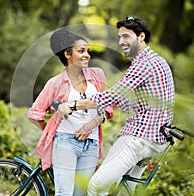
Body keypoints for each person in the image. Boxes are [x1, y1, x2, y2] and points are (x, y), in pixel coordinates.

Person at [58, 16, 175, 195]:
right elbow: (127, 99)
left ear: (141, 37)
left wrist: (73, 105)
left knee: (97, 186)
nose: (121, 42)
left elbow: (112, 95)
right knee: (125, 190)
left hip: (140, 137)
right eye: (119, 37)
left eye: (126, 36)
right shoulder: (157, 60)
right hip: (156, 139)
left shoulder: (144, 63)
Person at [27, 28, 113, 196]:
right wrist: (52, 133)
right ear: (67, 54)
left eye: (87, 51)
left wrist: (93, 123)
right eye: (81, 51)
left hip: (92, 144)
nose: (87, 55)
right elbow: (34, 114)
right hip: (65, 142)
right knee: (64, 193)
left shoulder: (97, 76)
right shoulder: (56, 83)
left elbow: (108, 108)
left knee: (80, 193)